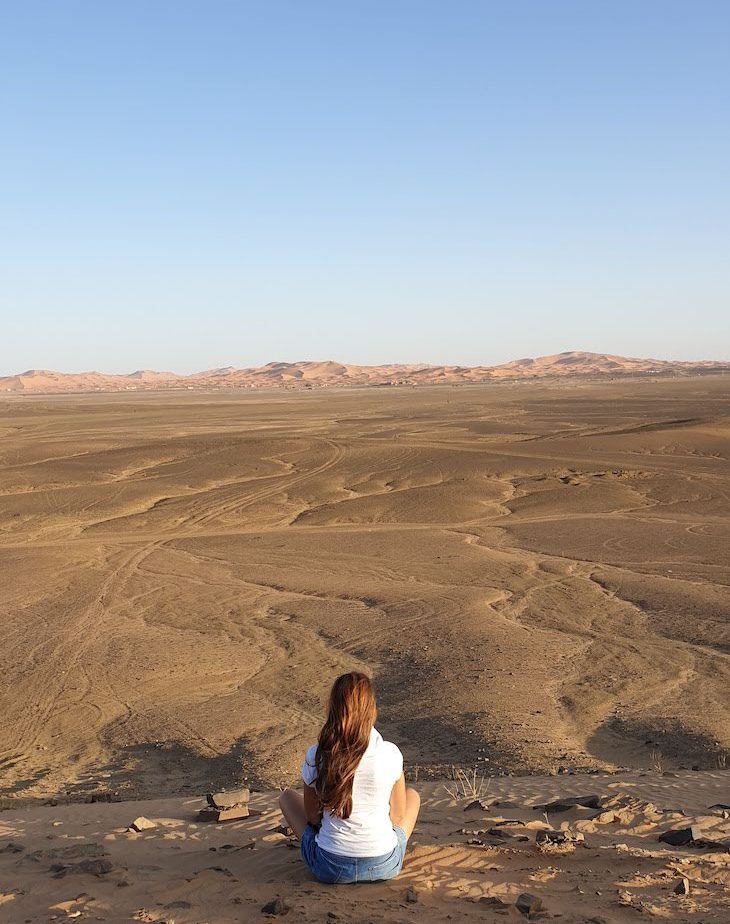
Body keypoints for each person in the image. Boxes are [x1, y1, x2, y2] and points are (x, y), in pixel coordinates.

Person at [279, 672, 420, 884]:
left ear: (333, 708)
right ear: (371, 708)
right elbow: (398, 818)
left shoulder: (318, 754)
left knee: (287, 797)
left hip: (329, 867)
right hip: (384, 865)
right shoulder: (390, 753)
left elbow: (312, 816)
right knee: (413, 795)